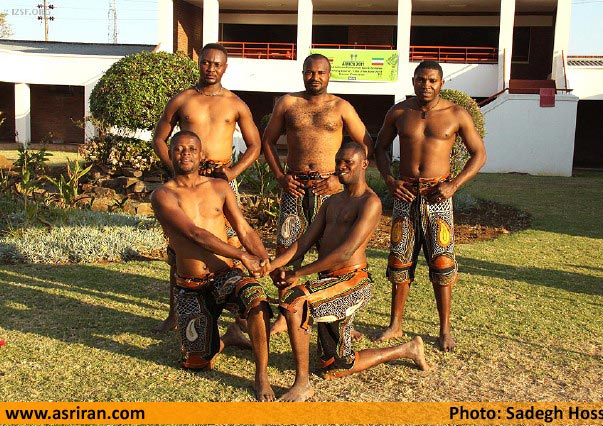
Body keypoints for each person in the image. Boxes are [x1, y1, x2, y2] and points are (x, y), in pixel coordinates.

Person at [269, 142, 429, 402]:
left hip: (353, 281)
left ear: (364, 164)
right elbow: (303, 242)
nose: (341, 167)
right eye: (338, 161)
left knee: (295, 302)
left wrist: (300, 273)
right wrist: (273, 265)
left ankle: (302, 384)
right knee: (335, 365)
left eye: (348, 162)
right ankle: (408, 349)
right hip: (328, 283)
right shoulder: (332, 201)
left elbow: (345, 253)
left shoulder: (370, 202)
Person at [150, 130, 274, 402]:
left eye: (192, 149)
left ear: (202, 155)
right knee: (198, 363)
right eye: (179, 149)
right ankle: (230, 337)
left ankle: (261, 375)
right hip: (190, 286)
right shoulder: (162, 195)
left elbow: (243, 228)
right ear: (169, 154)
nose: (185, 154)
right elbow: (195, 234)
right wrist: (242, 255)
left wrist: (265, 260)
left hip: (224, 276)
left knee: (256, 298)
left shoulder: (220, 187)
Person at [374, 60, 487, 352]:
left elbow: (479, 154)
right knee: (399, 259)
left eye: (432, 80)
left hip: (439, 196)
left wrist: (454, 185)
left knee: (442, 262)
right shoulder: (399, 112)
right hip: (406, 195)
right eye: (421, 80)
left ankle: (444, 329)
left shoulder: (456, 114)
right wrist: (390, 180)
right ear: (413, 81)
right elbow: (380, 148)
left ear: (441, 83)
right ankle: (395, 324)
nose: (426, 85)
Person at [152, 43, 262, 333]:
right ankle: (175, 313)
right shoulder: (183, 99)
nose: (210, 69)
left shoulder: (236, 104)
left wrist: (232, 172)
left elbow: (255, 145)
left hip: (221, 180)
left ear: (225, 68)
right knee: (180, 245)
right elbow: (160, 139)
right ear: (198, 63)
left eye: (216, 64)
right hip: (187, 179)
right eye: (205, 63)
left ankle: (240, 318)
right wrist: (175, 170)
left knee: (234, 241)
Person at [262, 53, 374, 335]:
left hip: (329, 188)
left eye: (321, 72)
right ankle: (284, 312)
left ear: (329, 74)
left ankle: (341, 317)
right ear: (303, 73)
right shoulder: (288, 103)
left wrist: (338, 178)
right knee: (288, 246)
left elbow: (366, 143)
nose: (315, 77)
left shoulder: (341, 107)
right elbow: (267, 141)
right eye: (310, 72)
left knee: (332, 249)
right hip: (295, 186)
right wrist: (280, 176)